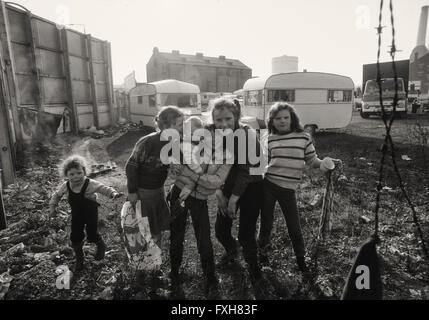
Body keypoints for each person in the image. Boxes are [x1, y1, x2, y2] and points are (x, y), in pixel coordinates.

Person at [258, 102, 336, 272]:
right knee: (266, 222)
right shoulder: (269, 139)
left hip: (288, 189)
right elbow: (263, 163)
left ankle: (301, 259)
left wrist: (323, 164)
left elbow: (312, 160)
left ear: (292, 118)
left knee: (294, 225)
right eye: (278, 118)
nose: (282, 121)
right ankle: (261, 254)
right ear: (272, 121)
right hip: (268, 185)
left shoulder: (303, 137)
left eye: (286, 117)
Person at [212, 98, 267, 293]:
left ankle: (255, 270)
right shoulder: (211, 134)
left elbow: (246, 171)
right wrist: (219, 193)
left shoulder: (246, 134)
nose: (224, 124)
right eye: (219, 120)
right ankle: (232, 251)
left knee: (246, 234)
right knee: (220, 230)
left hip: (252, 184)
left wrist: (233, 200)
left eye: (228, 118)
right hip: (228, 183)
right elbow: (207, 166)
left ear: (236, 117)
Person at [125, 106, 184, 250]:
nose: (183, 128)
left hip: (158, 191)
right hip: (143, 192)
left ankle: (155, 258)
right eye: (180, 124)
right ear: (166, 125)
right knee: (143, 227)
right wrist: (132, 191)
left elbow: (182, 163)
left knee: (156, 227)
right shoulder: (148, 141)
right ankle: (143, 260)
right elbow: (131, 166)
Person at [49, 155, 121, 271]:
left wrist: (113, 193)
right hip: (77, 215)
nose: (76, 176)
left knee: (92, 234)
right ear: (66, 175)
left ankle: (101, 246)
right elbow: (56, 196)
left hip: (90, 213)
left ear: (84, 172)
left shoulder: (90, 183)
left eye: (79, 173)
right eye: (72, 174)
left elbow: (103, 188)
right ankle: (79, 258)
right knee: (75, 237)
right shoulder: (66, 186)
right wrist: (52, 207)